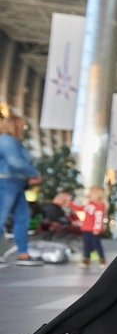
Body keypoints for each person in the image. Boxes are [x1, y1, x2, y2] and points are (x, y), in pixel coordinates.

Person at [0, 114, 44, 266]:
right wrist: (34, 173)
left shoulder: (15, 142)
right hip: (6, 181)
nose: (24, 129)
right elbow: (15, 162)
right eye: (22, 126)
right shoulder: (6, 140)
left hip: (17, 183)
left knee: (22, 219)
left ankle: (23, 254)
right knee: (1, 217)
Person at [69, 186, 107, 269]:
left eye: (91, 192)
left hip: (94, 230)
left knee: (96, 245)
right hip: (86, 229)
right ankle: (86, 259)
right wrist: (70, 203)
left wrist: (97, 228)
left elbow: (99, 218)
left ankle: (102, 259)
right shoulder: (89, 204)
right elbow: (79, 208)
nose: (89, 194)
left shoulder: (99, 206)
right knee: (87, 245)